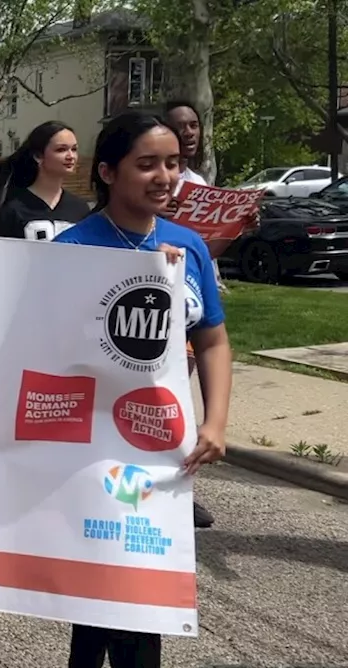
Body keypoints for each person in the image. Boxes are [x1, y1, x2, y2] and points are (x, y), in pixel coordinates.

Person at [52, 111, 232, 668]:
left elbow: (214, 342)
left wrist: (216, 422)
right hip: (92, 451)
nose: (164, 176)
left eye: (174, 164)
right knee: (102, 592)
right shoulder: (72, 248)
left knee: (144, 597)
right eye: (147, 164)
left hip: (161, 449)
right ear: (107, 171)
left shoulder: (189, 247)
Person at [164, 99, 223, 529]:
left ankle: (180, 491)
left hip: (191, 305)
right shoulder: (148, 185)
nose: (189, 132)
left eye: (194, 125)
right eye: (180, 125)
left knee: (174, 402)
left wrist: (235, 230)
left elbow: (214, 340)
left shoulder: (198, 182)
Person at [0, 121, 91, 240]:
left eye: (74, 149)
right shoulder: (12, 211)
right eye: (61, 149)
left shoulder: (80, 209)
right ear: (38, 156)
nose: (71, 156)